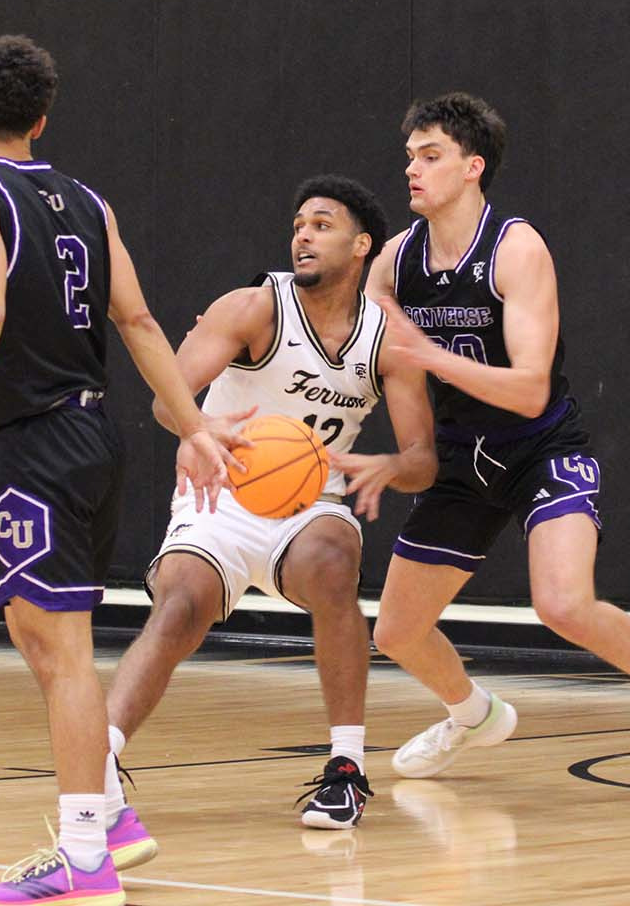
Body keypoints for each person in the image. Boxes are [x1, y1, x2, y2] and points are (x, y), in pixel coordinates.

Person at [0, 34, 238, 906]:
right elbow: (136, 322)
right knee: (38, 634)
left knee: (59, 654)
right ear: (41, 119)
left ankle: (87, 862)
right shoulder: (89, 200)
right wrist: (191, 419)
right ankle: (109, 819)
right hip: (92, 439)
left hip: (38, 445)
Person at [366, 92, 630, 787]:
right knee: (394, 633)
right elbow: (364, 351)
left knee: (563, 604)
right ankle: (473, 713)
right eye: (409, 155)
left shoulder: (516, 248)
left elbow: (530, 387)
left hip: (542, 450)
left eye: (430, 155)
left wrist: (427, 354)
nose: (412, 168)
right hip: (461, 457)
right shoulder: (392, 262)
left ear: (473, 167)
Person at [101, 175, 437, 836]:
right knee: (180, 605)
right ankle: (101, 759)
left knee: (336, 560)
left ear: (362, 244)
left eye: (322, 224)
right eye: (298, 225)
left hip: (310, 503)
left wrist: (392, 465)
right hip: (220, 495)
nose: (303, 235)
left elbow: (424, 457)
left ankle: (345, 769)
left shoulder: (388, 341)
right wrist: (200, 429)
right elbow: (166, 394)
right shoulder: (253, 306)